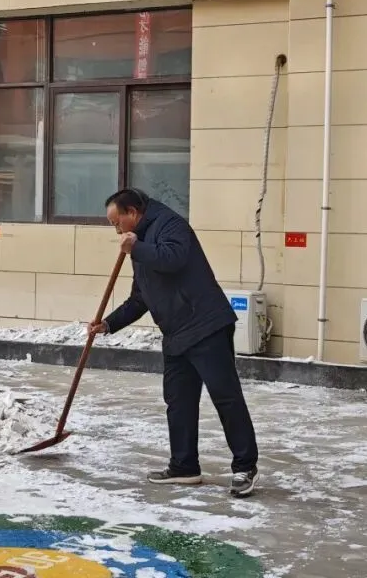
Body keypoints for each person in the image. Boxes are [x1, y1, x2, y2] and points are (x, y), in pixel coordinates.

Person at [87, 188, 260, 498]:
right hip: (176, 333)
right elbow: (140, 297)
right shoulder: (139, 242)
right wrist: (109, 323)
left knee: (226, 397)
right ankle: (184, 466)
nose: (116, 231)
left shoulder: (170, 224)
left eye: (116, 223)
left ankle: (245, 467)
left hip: (206, 326)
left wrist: (136, 247)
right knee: (178, 401)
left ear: (133, 213)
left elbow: (173, 258)